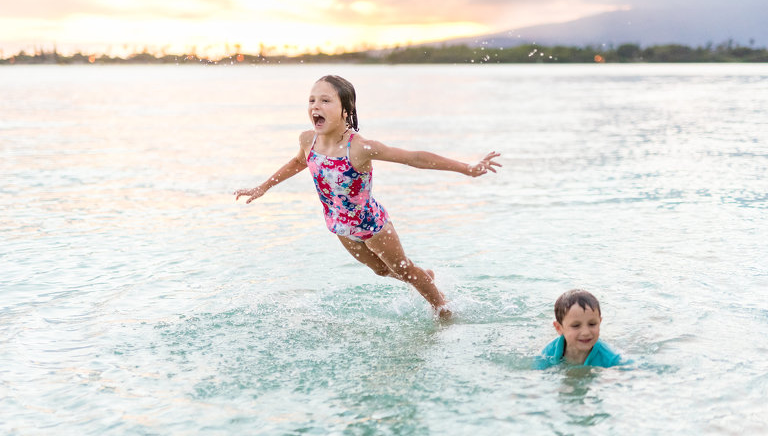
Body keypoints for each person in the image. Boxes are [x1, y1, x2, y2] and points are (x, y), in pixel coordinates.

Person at [234, 74, 501, 318]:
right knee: (382, 270)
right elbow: (297, 162)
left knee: (404, 269)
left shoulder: (359, 147)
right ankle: (425, 277)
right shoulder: (308, 140)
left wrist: (467, 168)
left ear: (345, 109)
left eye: (326, 100)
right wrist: (264, 186)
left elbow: (413, 158)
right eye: (312, 100)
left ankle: (442, 308)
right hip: (339, 225)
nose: (316, 105)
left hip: (371, 225)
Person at [534, 289, 625, 369]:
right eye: (576, 325)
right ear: (559, 328)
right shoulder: (548, 353)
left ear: (599, 322)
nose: (586, 332)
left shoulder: (612, 359)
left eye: (592, 324)